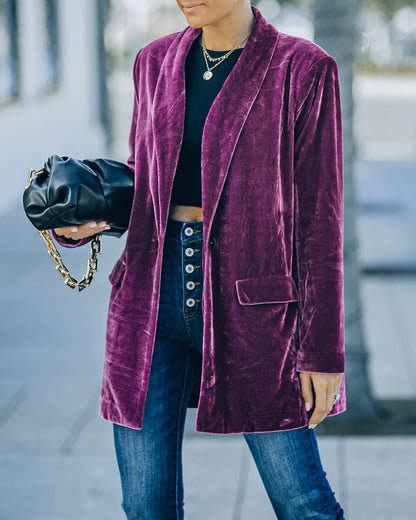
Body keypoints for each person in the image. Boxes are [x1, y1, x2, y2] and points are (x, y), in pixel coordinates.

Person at [53, 1, 346, 518]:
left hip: (255, 309)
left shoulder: (303, 67)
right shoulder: (154, 61)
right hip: (150, 297)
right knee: (146, 506)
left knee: (304, 504)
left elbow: (320, 219)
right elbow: (146, 176)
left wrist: (321, 353)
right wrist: (87, 217)